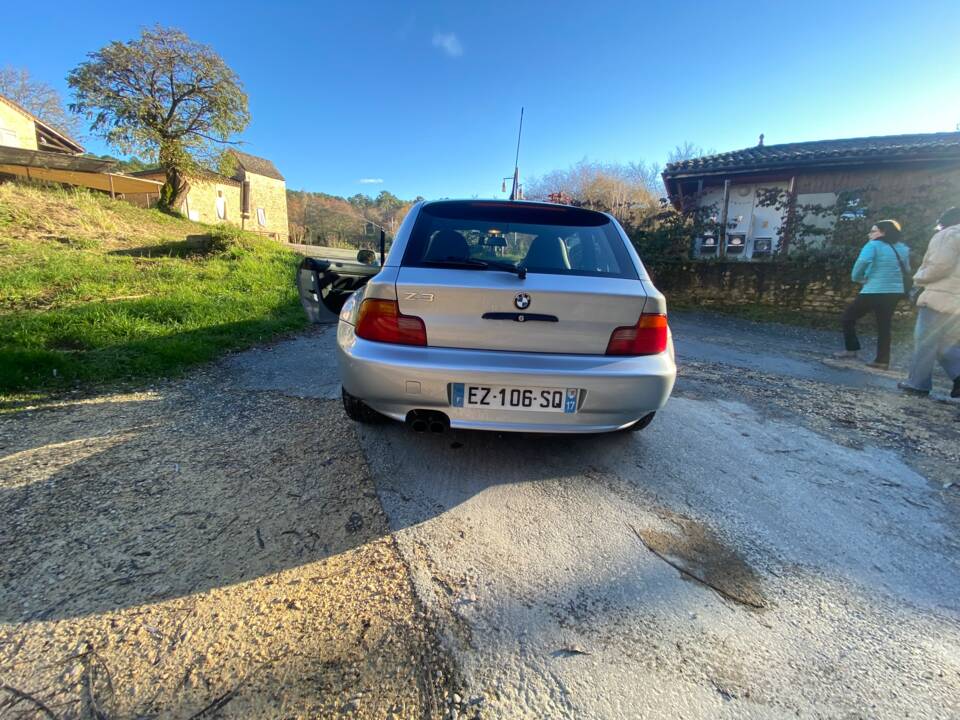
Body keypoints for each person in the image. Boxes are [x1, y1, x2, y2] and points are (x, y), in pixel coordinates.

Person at [898, 207, 960, 399]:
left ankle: (918, 383)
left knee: (926, 342)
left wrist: (918, 278)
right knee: (947, 343)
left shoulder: (948, 234)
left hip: (940, 296)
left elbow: (940, 266)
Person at [834, 219, 910, 370]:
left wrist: (858, 278)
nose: (870, 234)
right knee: (884, 326)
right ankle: (882, 360)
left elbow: (861, 263)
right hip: (894, 292)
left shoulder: (873, 245)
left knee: (848, 317)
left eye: (873, 231)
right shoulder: (903, 248)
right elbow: (906, 269)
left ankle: (851, 349)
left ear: (883, 232)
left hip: (874, 289)